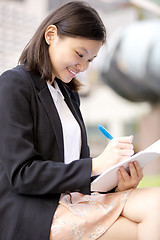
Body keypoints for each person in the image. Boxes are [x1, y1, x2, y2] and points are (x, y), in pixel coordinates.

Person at [0, 1, 159, 240]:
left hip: (77, 200)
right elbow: (23, 175)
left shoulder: (68, 95)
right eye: (79, 54)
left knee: (157, 202)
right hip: (37, 211)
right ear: (51, 35)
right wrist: (98, 164)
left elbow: (73, 167)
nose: (83, 66)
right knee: (138, 229)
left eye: (91, 60)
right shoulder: (14, 85)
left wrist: (117, 181)